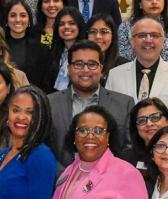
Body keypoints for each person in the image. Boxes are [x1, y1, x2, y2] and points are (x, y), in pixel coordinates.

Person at [47, 40, 132, 168]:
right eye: (78, 64)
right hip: (61, 182)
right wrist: (65, 177)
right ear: (69, 69)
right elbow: (43, 148)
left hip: (110, 182)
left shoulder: (124, 104)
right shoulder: (49, 103)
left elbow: (128, 150)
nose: (85, 70)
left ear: (101, 68)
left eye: (92, 64)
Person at [108, 17, 168, 123]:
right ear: (132, 41)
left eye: (154, 35)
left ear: (162, 41)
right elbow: (109, 118)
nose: (148, 40)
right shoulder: (114, 75)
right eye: (142, 36)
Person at [4, 0, 48, 85]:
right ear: (6, 20)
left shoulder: (41, 49)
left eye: (23, 15)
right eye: (13, 15)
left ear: (29, 20)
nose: (18, 19)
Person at [46, 5, 86, 94]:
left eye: (72, 23)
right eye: (61, 24)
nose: (66, 27)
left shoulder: (87, 54)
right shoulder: (50, 54)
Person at [85, 13, 121, 80]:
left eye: (104, 32)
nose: (98, 36)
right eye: (93, 32)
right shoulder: (80, 64)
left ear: (113, 35)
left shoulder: (123, 66)